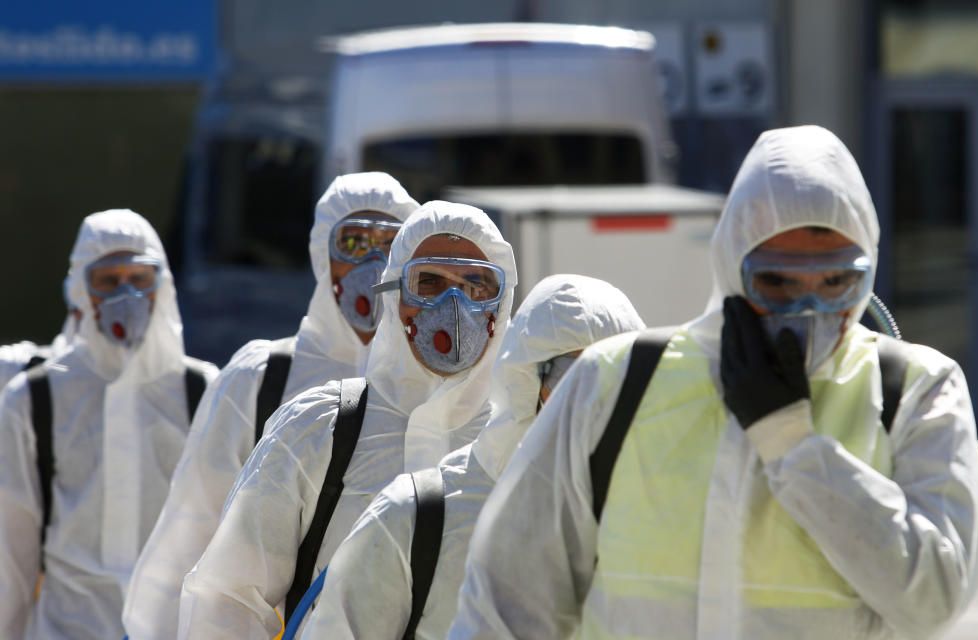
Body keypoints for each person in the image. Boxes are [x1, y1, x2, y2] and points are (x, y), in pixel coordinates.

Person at [448, 125, 978, 640]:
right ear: (734, 268)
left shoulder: (913, 391)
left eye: (837, 282)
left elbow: (933, 596)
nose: (808, 310)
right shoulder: (616, 385)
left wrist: (792, 445)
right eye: (777, 281)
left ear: (869, 274)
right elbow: (505, 603)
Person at [177, 200, 518, 639]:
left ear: (501, 307)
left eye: (477, 286)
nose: (453, 304)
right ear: (395, 295)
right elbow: (229, 597)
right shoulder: (319, 429)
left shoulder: (518, 442)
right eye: (429, 283)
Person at [120, 172, 418, 639]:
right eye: (356, 243)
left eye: (390, 244)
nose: (375, 263)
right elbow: (193, 527)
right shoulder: (261, 379)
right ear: (324, 255)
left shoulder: (434, 390)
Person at [299, 274, 645, 640]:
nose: (592, 403)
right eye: (570, 379)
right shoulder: (416, 517)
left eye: (615, 378)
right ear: (525, 379)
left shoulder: (658, 520)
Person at [0, 209, 218, 639]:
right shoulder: (35, 397)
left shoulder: (205, 391)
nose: (126, 294)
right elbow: (11, 553)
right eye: (108, 281)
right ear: (81, 291)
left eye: (139, 279)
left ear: (163, 286)